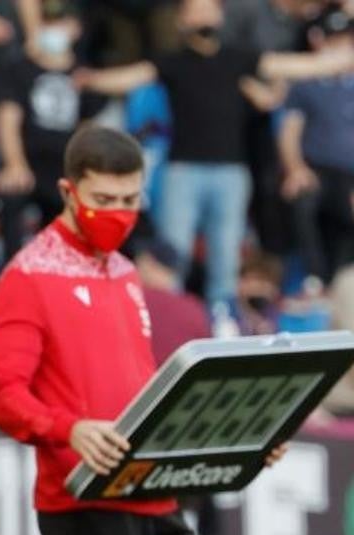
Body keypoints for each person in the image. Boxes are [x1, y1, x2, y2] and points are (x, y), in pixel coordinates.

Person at [0, 125, 288, 535]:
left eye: (130, 199)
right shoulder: (28, 276)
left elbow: (145, 392)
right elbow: (0, 394)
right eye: (104, 200)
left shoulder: (124, 273)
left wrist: (239, 438)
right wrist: (68, 428)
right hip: (86, 501)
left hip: (154, 496)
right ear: (69, 191)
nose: (118, 213)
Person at [76, 0, 354, 304]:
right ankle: (170, 316)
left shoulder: (237, 59)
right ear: (182, 20)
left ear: (220, 15)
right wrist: (90, 79)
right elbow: (132, 76)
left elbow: (293, 65)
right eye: (196, 9)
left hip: (231, 173)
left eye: (209, 8)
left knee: (225, 258)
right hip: (182, 172)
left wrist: (338, 59)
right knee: (173, 254)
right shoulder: (173, 61)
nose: (204, 15)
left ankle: (223, 319)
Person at [0, 0, 105, 259]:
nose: (53, 29)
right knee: (12, 198)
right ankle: (9, 278)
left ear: (76, 29)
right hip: (28, 165)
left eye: (61, 23)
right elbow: (7, 119)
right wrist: (15, 163)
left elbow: (88, 129)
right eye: (48, 23)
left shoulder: (83, 76)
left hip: (64, 171)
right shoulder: (19, 68)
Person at [279, 7, 354, 283]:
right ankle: (315, 279)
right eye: (335, 41)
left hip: (351, 175)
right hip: (317, 170)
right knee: (303, 199)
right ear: (319, 41)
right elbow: (289, 132)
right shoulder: (305, 84)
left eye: (347, 40)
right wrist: (295, 168)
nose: (342, 48)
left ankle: (343, 280)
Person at [135, 238, 210, 364]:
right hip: (180, 382)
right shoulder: (195, 307)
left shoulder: (133, 300)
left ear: (148, 263)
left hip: (144, 381)